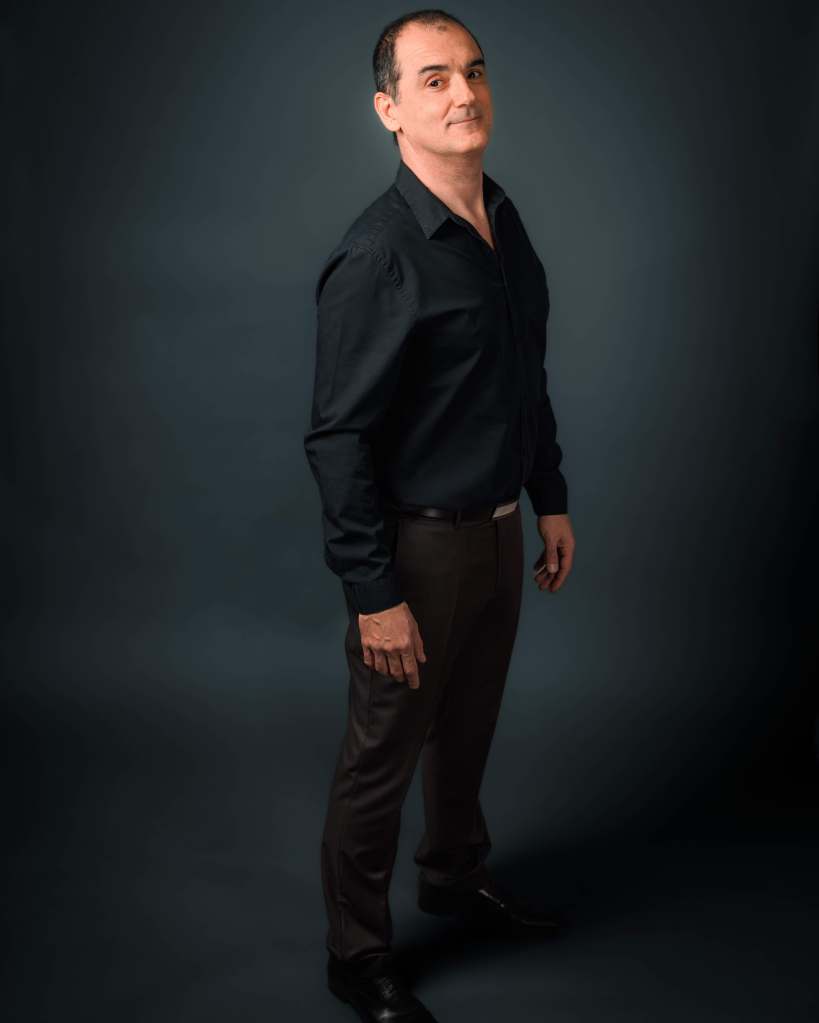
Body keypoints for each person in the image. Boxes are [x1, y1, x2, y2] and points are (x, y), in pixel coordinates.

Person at [303, 9, 576, 1021]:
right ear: (388, 109)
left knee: (467, 730)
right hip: (416, 550)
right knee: (383, 756)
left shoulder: (502, 218)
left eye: (473, 70)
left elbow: (521, 379)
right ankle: (356, 954)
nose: (463, 93)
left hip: (498, 532)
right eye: (433, 79)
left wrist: (549, 497)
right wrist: (373, 593)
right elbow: (337, 439)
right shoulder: (379, 255)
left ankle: (455, 878)